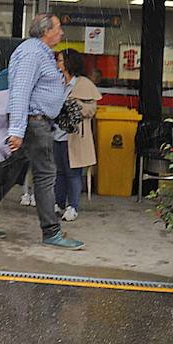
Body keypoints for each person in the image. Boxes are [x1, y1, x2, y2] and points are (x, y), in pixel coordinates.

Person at [0, 12, 81, 250]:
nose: (61, 32)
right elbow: (20, 91)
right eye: (58, 28)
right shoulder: (32, 53)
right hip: (33, 124)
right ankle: (51, 231)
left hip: (35, 121)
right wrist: (17, 130)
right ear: (46, 31)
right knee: (46, 175)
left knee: (10, 173)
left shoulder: (40, 52)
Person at [53, 49, 98, 222]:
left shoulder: (84, 84)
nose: (58, 63)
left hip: (74, 136)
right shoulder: (57, 82)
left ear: (69, 63)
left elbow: (92, 109)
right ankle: (59, 204)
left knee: (73, 173)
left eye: (61, 60)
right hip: (56, 135)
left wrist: (75, 105)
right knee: (59, 172)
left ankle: (73, 206)